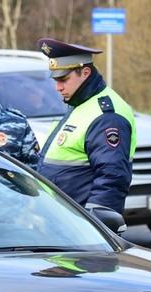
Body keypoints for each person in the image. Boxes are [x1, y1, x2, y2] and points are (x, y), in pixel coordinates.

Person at [36, 38, 136, 215]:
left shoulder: (107, 116)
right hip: (65, 219)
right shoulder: (81, 102)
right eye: (55, 80)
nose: (58, 87)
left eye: (64, 79)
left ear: (86, 72)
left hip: (80, 228)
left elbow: (111, 178)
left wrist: (96, 226)